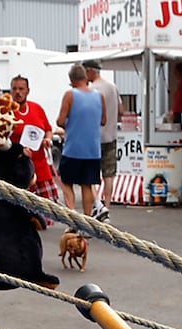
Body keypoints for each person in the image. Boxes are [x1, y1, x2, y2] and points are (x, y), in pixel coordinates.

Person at [56, 63, 104, 224]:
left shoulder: (70, 94)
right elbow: (103, 120)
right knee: (87, 184)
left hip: (73, 148)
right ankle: (87, 220)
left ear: (72, 80)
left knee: (66, 180)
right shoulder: (99, 96)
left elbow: (61, 121)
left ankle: (72, 215)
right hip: (93, 149)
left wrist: (70, 122)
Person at [8, 75, 61, 222]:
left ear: (28, 91)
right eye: (14, 89)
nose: (18, 92)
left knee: (48, 212)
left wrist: (48, 139)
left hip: (41, 167)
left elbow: (48, 129)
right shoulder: (7, 112)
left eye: (21, 89)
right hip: (19, 169)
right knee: (22, 214)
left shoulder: (37, 108)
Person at [83, 59, 119, 220]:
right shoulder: (112, 86)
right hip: (111, 135)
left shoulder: (91, 90)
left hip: (93, 137)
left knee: (89, 174)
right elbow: (122, 109)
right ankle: (107, 207)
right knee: (108, 175)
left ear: (90, 71)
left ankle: (98, 203)